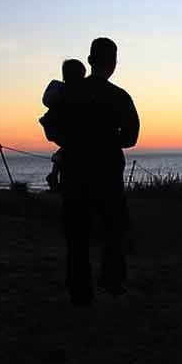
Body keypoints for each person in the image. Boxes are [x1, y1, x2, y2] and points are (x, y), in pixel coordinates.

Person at [47, 38, 140, 306]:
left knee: (77, 237)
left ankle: (80, 293)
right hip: (108, 174)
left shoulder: (69, 93)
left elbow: (52, 129)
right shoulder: (120, 96)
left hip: (75, 173)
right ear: (113, 64)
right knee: (112, 231)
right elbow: (131, 137)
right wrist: (108, 141)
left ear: (90, 61)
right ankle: (112, 285)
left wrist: (75, 140)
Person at [39, 59, 87, 191]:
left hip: (56, 127)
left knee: (66, 148)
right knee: (70, 145)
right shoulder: (68, 91)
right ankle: (55, 175)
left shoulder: (61, 89)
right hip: (61, 126)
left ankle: (54, 175)